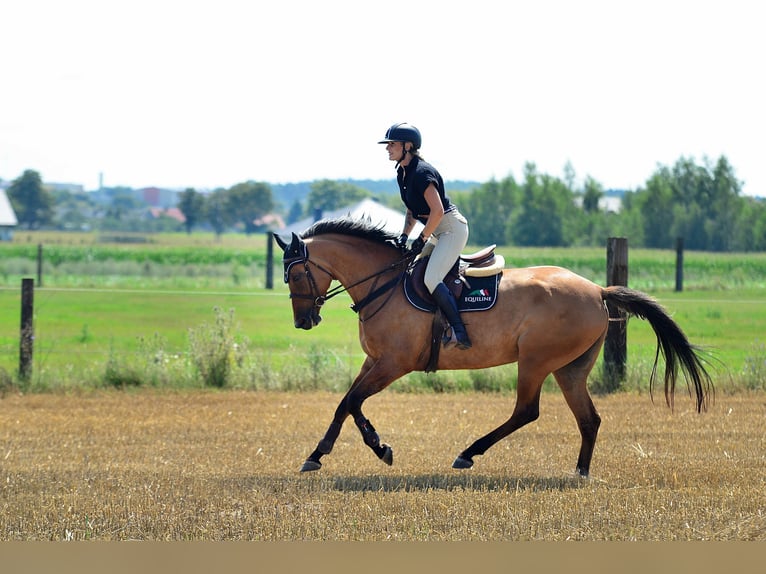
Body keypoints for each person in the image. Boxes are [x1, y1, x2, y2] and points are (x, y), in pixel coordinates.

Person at [378, 122, 472, 349]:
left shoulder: (421, 172)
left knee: (431, 279)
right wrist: (403, 236)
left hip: (450, 229)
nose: (387, 148)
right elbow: (412, 209)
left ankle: (460, 333)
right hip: (438, 229)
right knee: (411, 270)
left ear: (407, 146)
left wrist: (421, 239)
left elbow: (437, 210)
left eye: (392, 144)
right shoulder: (403, 172)